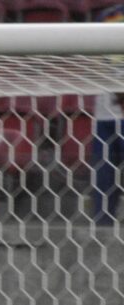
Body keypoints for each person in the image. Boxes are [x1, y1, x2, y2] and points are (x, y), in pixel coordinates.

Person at [90, 5, 124, 226]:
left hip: (112, 107)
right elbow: (99, 62)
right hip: (107, 110)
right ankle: (102, 224)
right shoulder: (108, 16)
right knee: (104, 170)